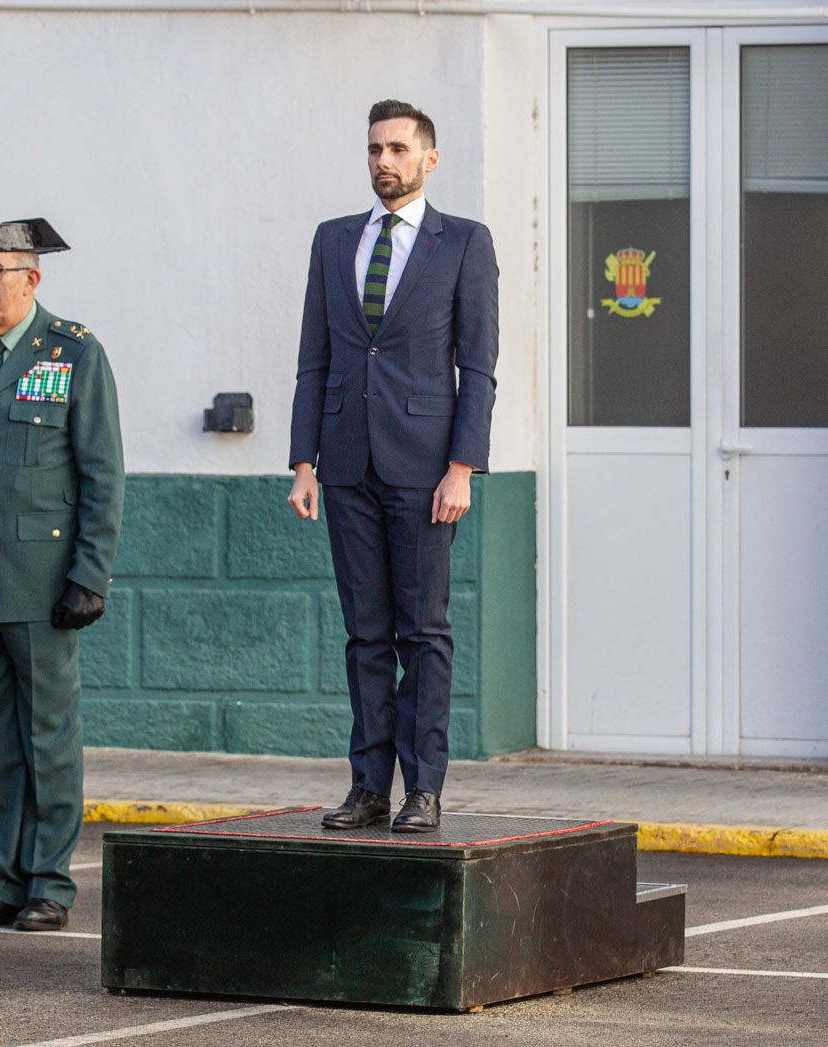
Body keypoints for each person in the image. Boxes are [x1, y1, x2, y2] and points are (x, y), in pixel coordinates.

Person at [287, 99, 499, 834]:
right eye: (376, 148)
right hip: (345, 465)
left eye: (400, 150)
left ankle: (424, 788)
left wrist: (463, 466)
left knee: (423, 632)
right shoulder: (333, 239)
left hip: (425, 469)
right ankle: (368, 784)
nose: (385, 161)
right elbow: (314, 358)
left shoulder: (463, 244)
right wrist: (303, 461)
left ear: (429, 159)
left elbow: (479, 366)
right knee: (364, 633)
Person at [0, 219, 124, 932]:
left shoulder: (73, 353)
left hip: (41, 582)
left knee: (48, 736)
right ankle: (2, 876)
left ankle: (51, 881)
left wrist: (89, 573)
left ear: (32, 279)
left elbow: (102, 474)